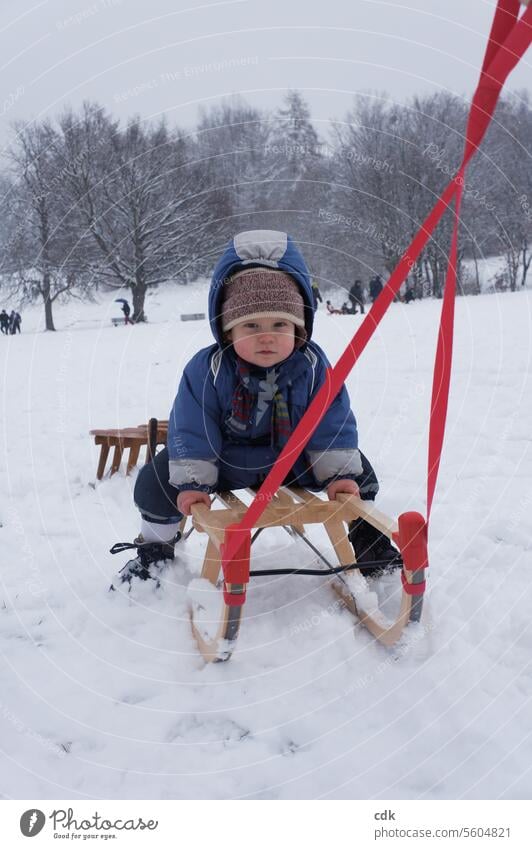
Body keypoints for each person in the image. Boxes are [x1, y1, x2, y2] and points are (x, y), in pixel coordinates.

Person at [111, 230, 401, 588]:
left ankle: (368, 543)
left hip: (294, 461)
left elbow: (332, 422)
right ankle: (153, 553)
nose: (267, 336)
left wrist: (339, 474)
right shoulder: (208, 369)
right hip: (225, 463)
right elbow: (193, 426)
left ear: (299, 328)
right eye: (251, 326)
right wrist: (192, 481)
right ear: (228, 331)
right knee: (157, 480)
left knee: (359, 470)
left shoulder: (312, 367)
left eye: (279, 324)